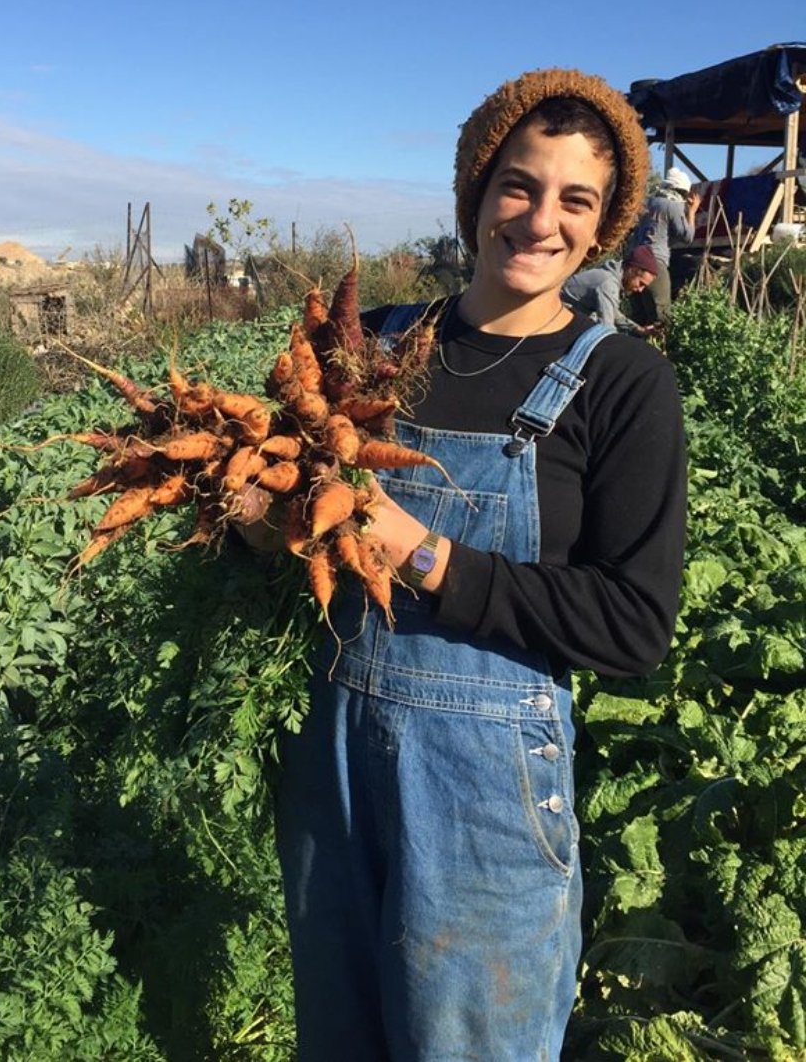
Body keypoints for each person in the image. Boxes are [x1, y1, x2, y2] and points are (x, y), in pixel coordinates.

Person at [270, 68, 687, 1060]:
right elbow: (289, 519)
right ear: (473, 191)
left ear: (600, 228)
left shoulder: (619, 382)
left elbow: (633, 624)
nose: (540, 219)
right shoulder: (367, 344)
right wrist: (261, 515)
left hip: (484, 795)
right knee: (340, 1035)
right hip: (329, 762)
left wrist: (422, 556)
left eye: (574, 200)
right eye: (519, 184)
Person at [628, 166, 702, 322]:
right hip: (654, 261)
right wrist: (692, 211)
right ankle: (659, 346)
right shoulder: (672, 205)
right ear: (680, 190)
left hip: (634, 260)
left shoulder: (647, 202)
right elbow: (687, 237)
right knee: (661, 314)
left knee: (639, 314)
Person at [561, 241, 659, 333]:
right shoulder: (608, 283)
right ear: (632, 271)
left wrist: (638, 329)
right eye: (641, 283)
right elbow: (606, 327)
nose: (640, 290)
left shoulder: (611, 278)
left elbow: (613, 313)